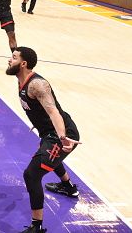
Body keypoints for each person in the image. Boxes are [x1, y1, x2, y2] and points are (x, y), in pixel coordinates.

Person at [6, 47, 81, 233]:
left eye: (14, 57)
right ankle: (68, 187)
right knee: (47, 158)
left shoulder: (37, 84)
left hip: (59, 134)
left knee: (31, 175)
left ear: (23, 63)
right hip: (48, 132)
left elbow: (53, 111)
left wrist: (63, 138)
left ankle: (37, 227)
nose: (9, 60)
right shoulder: (21, 80)